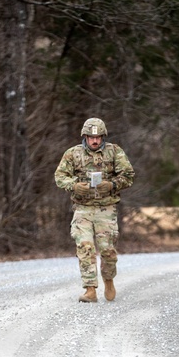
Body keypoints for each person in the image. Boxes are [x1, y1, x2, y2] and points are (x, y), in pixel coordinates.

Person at [54, 117, 135, 303]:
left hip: (106, 208)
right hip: (82, 209)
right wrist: (74, 185)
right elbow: (60, 176)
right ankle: (90, 290)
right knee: (85, 247)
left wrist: (112, 184)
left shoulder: (114, 152)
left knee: (108, 250)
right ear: (85, 136)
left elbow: (129, 175)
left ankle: (108, 280)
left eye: (98, 136)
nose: (95, 140)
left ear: (103, 136)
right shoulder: (72, 154)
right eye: (91, 137)